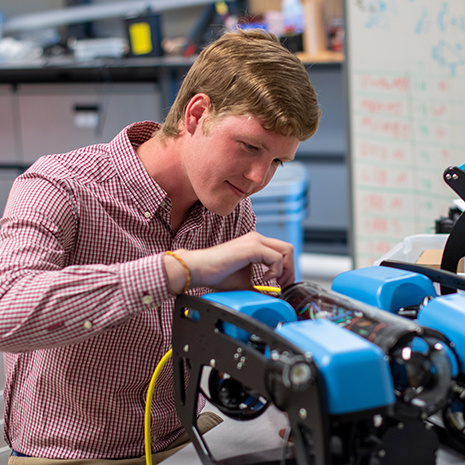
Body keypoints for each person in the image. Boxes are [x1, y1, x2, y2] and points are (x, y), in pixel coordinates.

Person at [0, 28, 320, 464]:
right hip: (72, 452)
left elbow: (254, 346)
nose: (257, 179)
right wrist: (178, 269)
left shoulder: (230, 211)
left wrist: (279, 316)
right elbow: (8, 313)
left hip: (187, 433)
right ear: (196, 114)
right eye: (249, 147)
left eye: (277, 161)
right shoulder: (60, 187)